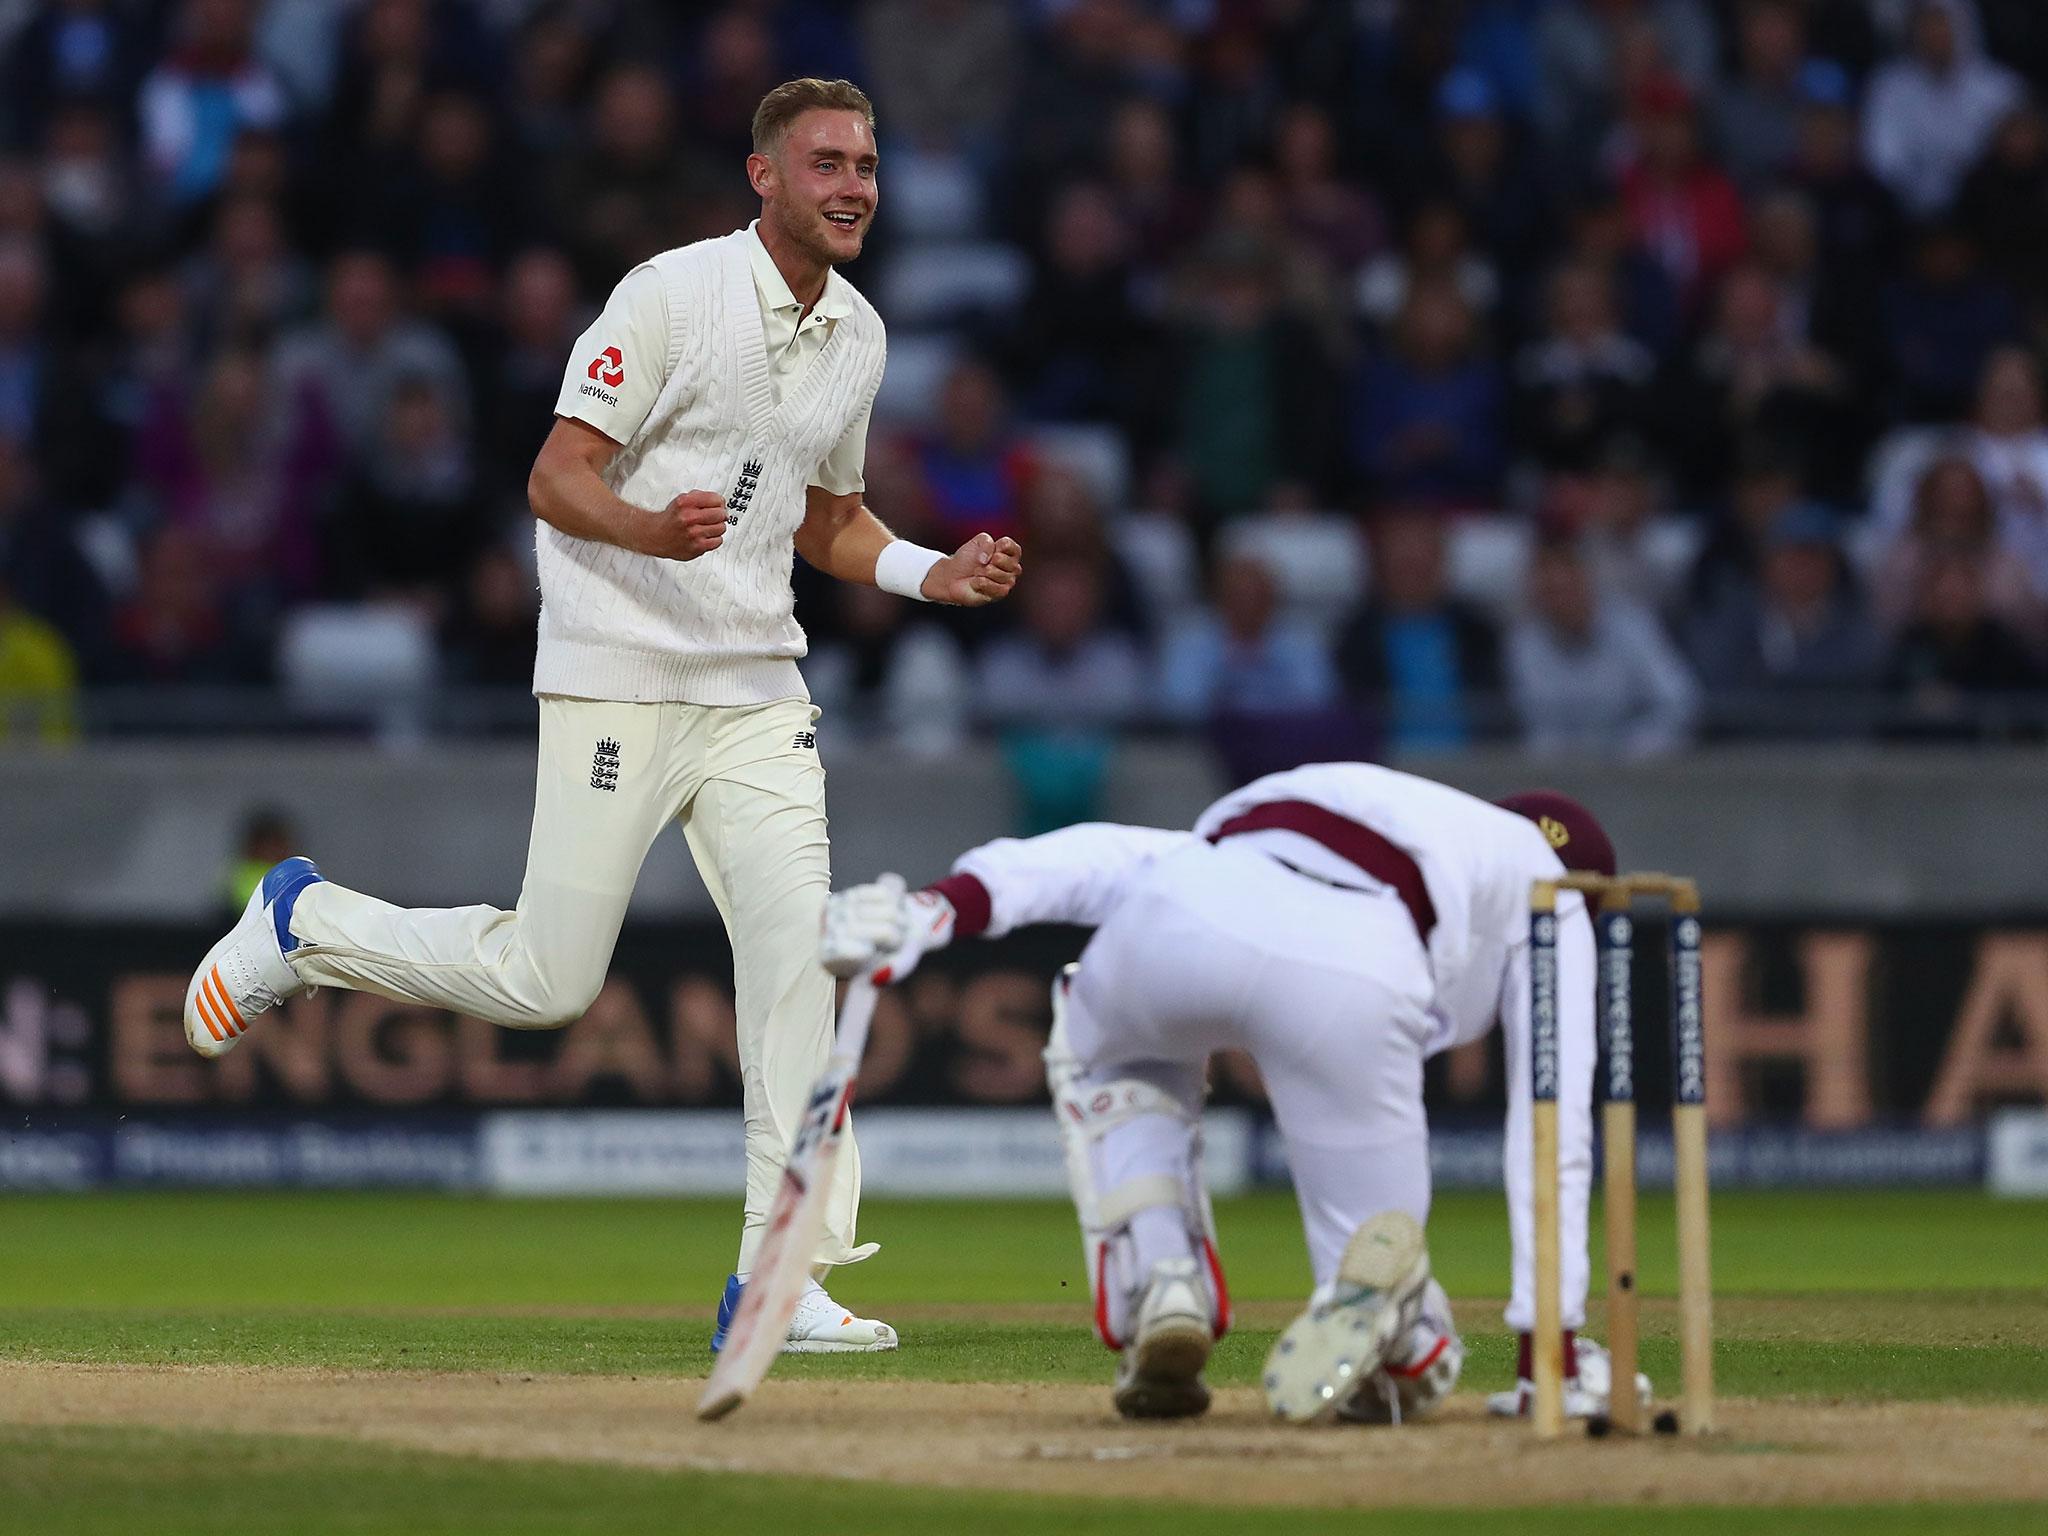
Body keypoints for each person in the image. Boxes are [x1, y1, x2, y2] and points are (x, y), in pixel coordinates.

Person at [179, 79, 1022, 1355]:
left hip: (755, 689)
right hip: (617, 664)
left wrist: (929, 572)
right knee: (548, 981)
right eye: (825, 163)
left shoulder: (859, 334)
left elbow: (827, 519)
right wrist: (646, 529)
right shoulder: (670, 296)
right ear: (764, 178)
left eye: (865, 165)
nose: (852, 186)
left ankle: (776, 1280)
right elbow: (554, 474)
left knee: (799, 967)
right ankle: (305, 922)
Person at [818, 765, 1647, 1424]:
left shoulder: (1381, 802)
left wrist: (936, 906)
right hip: (1357, 973)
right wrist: (1555, 1352)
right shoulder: (1555, 891)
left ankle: (1162, 1267)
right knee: (1393, 1292)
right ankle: (1399, 1339)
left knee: (1110, 1048)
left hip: (1193, 910)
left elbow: (1095, 858)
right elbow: (1553, 1128)